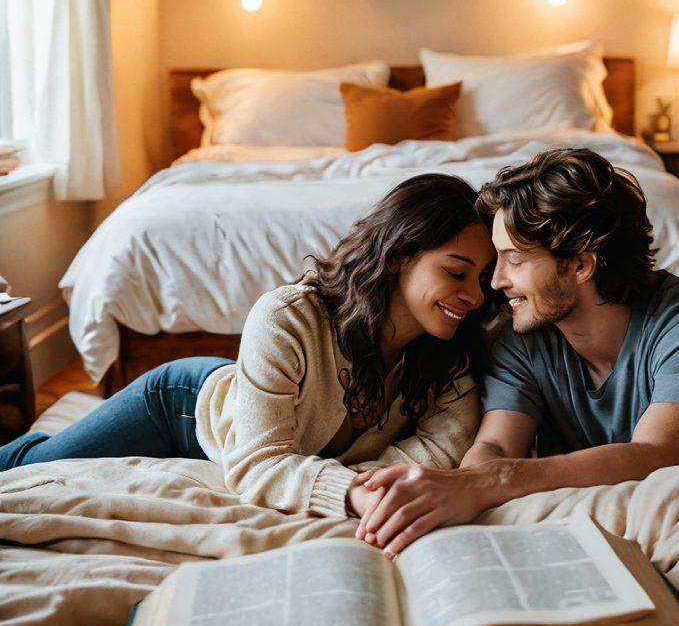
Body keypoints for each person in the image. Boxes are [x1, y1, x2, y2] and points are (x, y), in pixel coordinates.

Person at [0, 174, 495, 520]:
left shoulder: (452, 356)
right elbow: (258, 461)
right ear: (398, 256)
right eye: (455, 272)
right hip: (183, 408)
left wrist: (364, 481)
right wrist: (352, 492)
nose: (474, 296)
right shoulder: (289, 317)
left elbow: (441, 449)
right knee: (30, 470)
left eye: (483, 278)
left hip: (256, 415)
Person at [354, 148, 679, 554]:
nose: (494, 283)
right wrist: (460, 487)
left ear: (580, 265)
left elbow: (659, 455)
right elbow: (497, 447)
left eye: (513, 259)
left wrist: (491, 481)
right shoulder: (522, 337)